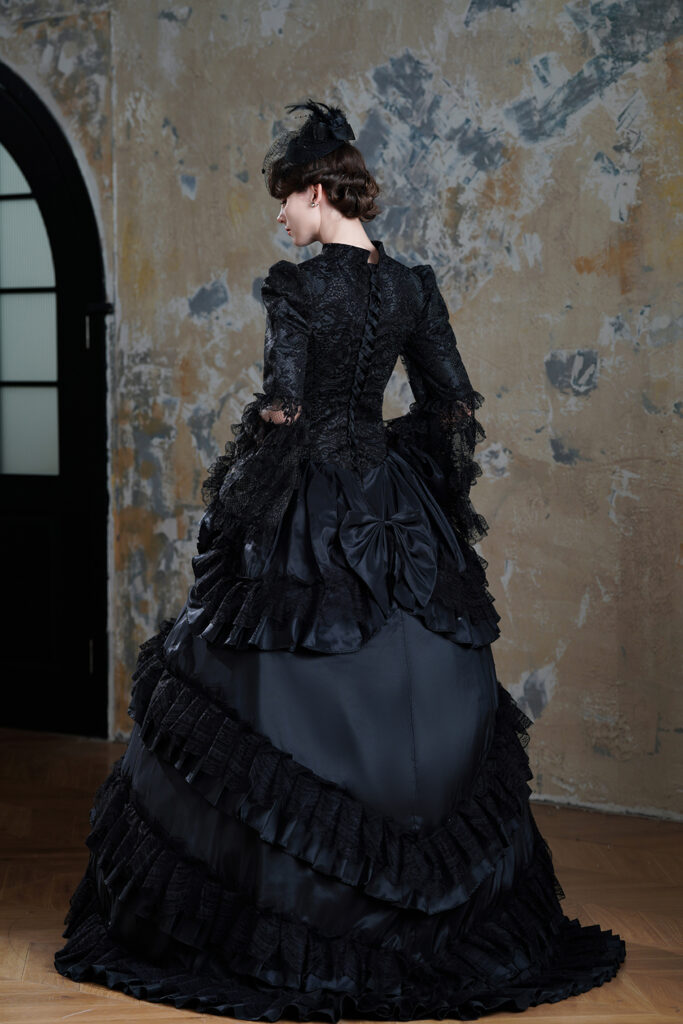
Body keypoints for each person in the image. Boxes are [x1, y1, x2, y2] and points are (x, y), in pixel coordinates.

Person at [54, 99, 626, 1019]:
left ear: (316, 193)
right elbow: (451, 402)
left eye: (285, 200)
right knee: (424, 676)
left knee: (247, 669)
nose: (280, 217)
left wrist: (244, 498)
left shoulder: (295, 286)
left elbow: (283, 405)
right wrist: (401, 469)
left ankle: (284, 919)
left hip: (311, 493)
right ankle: (431, 908)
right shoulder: (411, 287)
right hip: (393, 500)